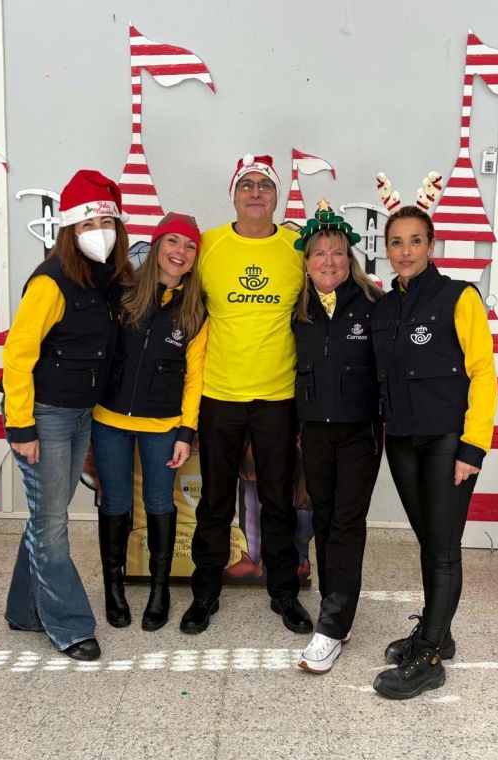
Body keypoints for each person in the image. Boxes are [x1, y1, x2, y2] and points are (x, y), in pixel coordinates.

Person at [1, 170, 132, 661]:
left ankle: (24, 610)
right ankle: (70, 626)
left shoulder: (108, 280)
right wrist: (21, 427)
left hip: (79, 413)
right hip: (43, 414)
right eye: (88, 223)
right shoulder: (50, 281)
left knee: (46, 514)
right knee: (53, 521)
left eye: (107, 222)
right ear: (69, 230)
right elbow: (17, 356)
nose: (100, 231)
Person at [180, 153, 312, 635]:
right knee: (215, 501)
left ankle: (284, 592)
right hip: (220, 395)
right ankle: (205, 593)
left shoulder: (298, 246)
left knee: (277, 501)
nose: (256, 192)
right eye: (247, 185)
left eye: (265, 185)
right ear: (233, 194)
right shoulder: (209, 246)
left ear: (277, 196)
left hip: (278, 397)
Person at [371, 205, 497, 698]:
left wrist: (473, 447)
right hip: (402, 442)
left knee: (443, 549)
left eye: (415, 240)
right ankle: (437, 634)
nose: (405, 251)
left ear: (431, 244)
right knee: (431, 541)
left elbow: (482, 373)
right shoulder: (384, 307)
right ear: (387, 249)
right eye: (396, 242)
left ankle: (428, 657)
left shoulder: (459, 296)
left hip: (448, 442)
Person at [92, 212, 207, 632]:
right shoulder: (122, 294)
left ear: (195, 258)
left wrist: (186, 432)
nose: (180, 252)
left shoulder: (196, 310)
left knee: (160, 504)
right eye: (172, 241)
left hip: (163, 424)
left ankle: (160, 590)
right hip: (109, 420)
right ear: (157, 245)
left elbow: (195, 378)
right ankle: (114, 587)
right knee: (116, 503)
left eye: (189, 246)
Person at [292, 202, 384, 674]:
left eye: (337, 252)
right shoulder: (298, 309)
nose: (328, 261)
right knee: (324, 520)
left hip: (359, 433)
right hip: (314, 433)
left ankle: (329, 628)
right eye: (319, 253)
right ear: (307, 262)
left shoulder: (374, 304)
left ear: (350, 259)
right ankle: (338, 610)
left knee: (347, 523)